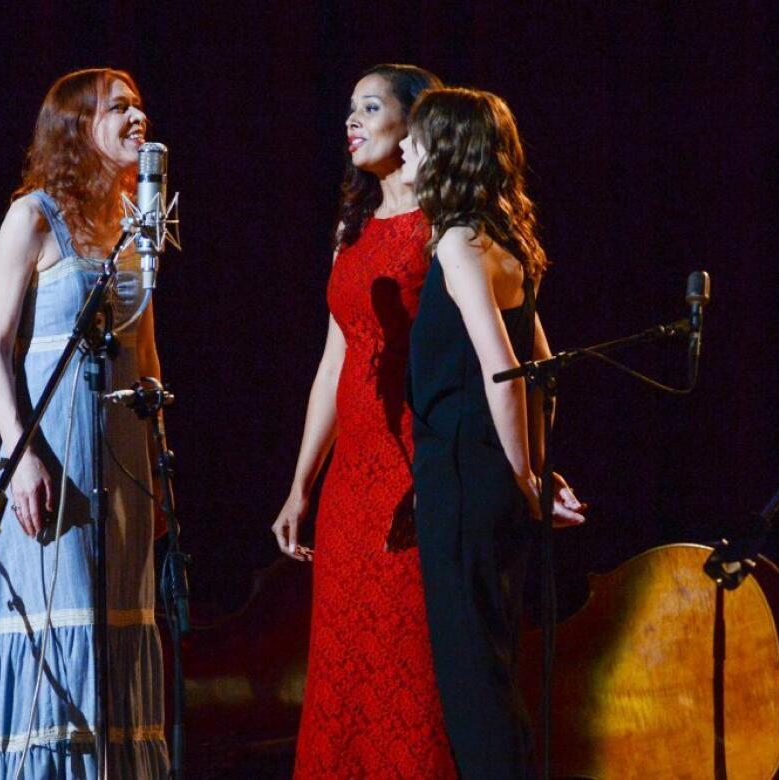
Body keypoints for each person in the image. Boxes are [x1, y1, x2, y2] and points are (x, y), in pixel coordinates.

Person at [0, 68, 170, 779]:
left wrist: (158, 481)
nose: (138, 117)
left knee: (118, 630)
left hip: (123, 464)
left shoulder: (136, 227)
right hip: (52, 458)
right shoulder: (33, 216)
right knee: (63, 629)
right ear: (77, 126)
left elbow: (146, 357)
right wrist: (20, 455)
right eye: (119, 107)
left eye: (139, 105)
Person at [270, 64, 460, 777]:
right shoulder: (351, 226)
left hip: (415, 464)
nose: (351, 121)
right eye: (348, 109)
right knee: (346, 664)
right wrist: (301, 485)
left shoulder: (446, 223)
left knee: (408, 658)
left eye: (369, 107)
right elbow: (334, 361)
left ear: (414, 122)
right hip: (351, 477)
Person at [400, 86, 586, 778]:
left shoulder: (454, 242)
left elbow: (505, 371)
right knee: (494, 670)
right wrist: (535, 469)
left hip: (460, 478)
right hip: (492, 481)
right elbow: (546, 370)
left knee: (472, 684)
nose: (406, 153)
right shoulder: (504, 240)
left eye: (416, 142)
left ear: (445, 150)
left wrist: (528, 479)